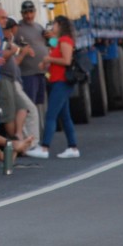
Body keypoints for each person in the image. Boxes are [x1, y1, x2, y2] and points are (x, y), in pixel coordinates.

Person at [26, 15, 80, 159]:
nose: (52, 27)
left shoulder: (65, 40)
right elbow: (53, 46)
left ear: (60, 26)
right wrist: (46, 62)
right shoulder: (59, 41)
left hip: (62, 82)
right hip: (57, 80)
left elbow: (66, 61)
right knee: (65, 116)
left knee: (51, 115)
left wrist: (49, 59)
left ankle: (44, 147)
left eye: (54, 25)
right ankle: (72, 147)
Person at [0, 10, 40, 149]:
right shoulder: (3, 41)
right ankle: (25, 143)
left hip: (17, 79)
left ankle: (21, 137)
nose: (13, 30)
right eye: (10, 27)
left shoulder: (11, 40)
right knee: (17, 111)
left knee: (24, 108)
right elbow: (6, 59)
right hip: (9, 79)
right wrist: (20, 52)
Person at [17, 0, 50, 136]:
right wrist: (22, 50)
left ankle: (39, 132)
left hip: (41, 73)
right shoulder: (18, 29)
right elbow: (11, 46)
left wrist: (50, 38)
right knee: (29, 106)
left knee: (38, 104)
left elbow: (50, 43)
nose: (29, 15)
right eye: (26, 13)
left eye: (31, 12)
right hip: (27, 73)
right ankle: (29, 136)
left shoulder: (39, 27)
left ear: (35, 12)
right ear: (22, 13)